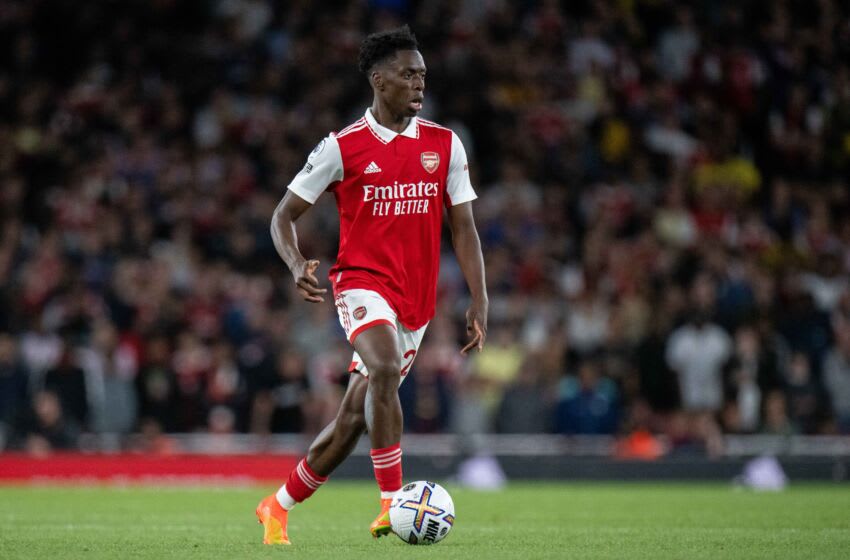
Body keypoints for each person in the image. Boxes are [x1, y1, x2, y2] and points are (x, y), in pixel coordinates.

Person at [255, 26, 488, 545]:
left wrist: (480, 298)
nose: (418, 84)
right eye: (408, 75)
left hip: (417, 302)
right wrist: (295, 263)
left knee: (353, 421)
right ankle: (392, 504)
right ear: (378, 80)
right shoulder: (343, 147)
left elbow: (464, 228)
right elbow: (283, 215)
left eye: (423, 75)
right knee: (382, 367)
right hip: (360, 283)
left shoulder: (445, 145)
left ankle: (276, 504)